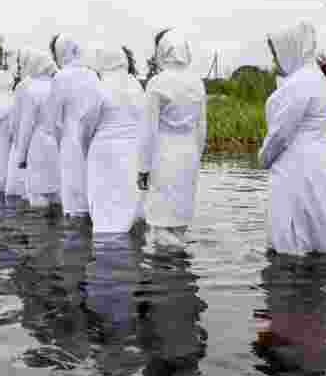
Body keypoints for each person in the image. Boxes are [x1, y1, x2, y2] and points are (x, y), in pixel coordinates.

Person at [258, 21, 326, 256]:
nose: (275, 61)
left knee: (290, 225)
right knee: (316, 217)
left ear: (291, 49)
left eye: (277, 53)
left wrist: (264, 158)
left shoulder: (300, 83)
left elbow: (281, 134)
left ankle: (291, 273)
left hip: (295, 163)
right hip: (316, 160)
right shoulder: (313, 77)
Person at [137, 31, 207, 247]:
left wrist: (143, 168)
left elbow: (148, 131)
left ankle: (168, 270)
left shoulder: (157, 83)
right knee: (179, 221)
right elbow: (202, 127)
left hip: (165, 152)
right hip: (189, 153)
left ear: (163, 51)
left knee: (160, 225)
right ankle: (181, 269)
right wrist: (197, 156)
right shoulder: (197, 84)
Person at [78, 45, 145, 234]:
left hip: (104, 153)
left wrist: (86, 151)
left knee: (105, 206)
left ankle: (107, 250)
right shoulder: (136, 86)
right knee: (128, 203)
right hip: (133, 152)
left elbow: (85, 125)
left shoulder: (99, 87)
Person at [47, 33, 101, 218]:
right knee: (89, 189)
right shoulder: (93, 75)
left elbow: (54, 118)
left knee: (72, 193)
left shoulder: (61, 77)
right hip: (92, 139)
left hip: (69, 139)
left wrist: (56, 141)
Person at [13, 50, 61, 210]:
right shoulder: (59, 86)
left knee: (38, 196)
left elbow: (26, 126)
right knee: (57, 196)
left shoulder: (32, 90)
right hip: (57, 144)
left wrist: (21, 156)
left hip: (38, 146)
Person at [4, 55, 29, 199]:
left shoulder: (22, 86)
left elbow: (15, 116)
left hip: (22, 135)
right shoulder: (48, 82)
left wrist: (13, 134)